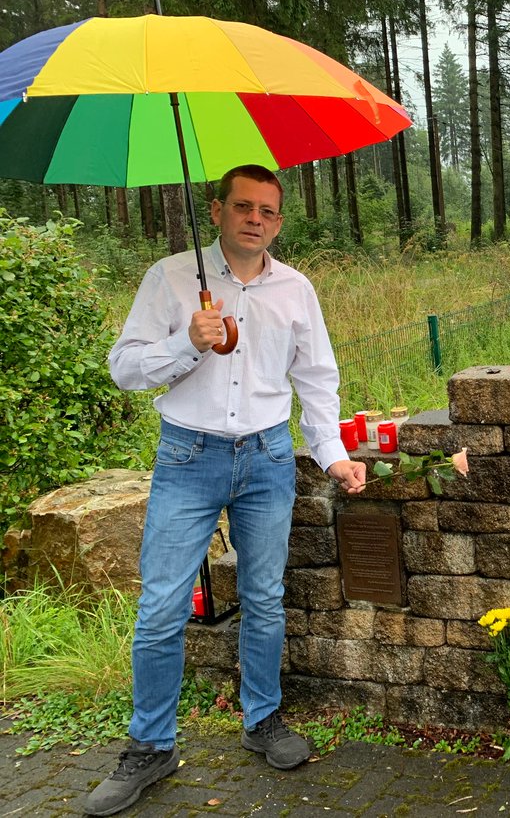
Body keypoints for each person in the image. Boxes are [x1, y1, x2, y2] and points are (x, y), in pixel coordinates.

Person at [89, 165, 366, 816]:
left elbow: (316, 378)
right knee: (162, 607)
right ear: (216, 211)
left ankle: (262, 719)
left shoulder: (296, 289)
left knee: (264, 598)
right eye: (243, 206)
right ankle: (151, 746)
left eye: (267, 211)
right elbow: (124, 369)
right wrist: (185, 343)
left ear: (278, 222)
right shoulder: (170, 278)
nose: (255, 220)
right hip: (188, 455)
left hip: (268, 457)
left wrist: (332, 454)